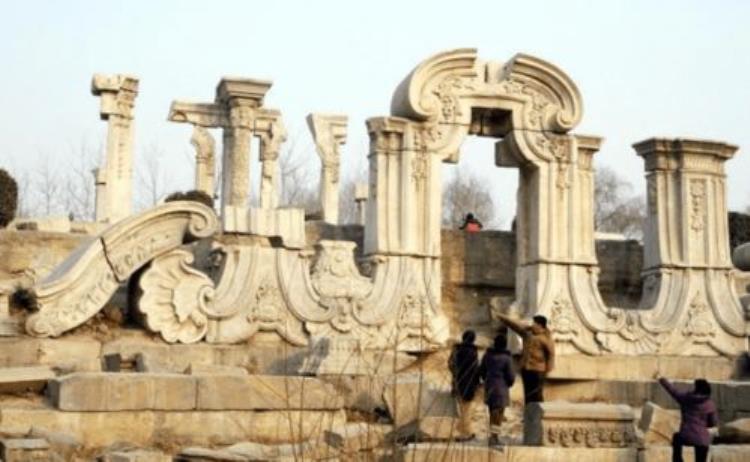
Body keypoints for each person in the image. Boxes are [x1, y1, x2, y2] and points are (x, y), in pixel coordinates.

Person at [494, 313, 554, 404]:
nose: (532, 324)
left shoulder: (546, 338)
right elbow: (514, 325)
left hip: (538, 370)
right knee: (528, 394)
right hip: (526, 369)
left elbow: (551, 355)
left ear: (540, 325)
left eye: (534, 323)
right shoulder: (527, 334)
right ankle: (528, 412)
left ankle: (538, 412)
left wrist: (547, 370)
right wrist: (502, 317)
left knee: (537, 395)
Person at [657, 376, 718, 462]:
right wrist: (704, 424)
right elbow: (713, 423)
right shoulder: (710, 404)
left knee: (676, 437)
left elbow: (673, 391)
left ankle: (678, 460)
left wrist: (662, 379)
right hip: (702, 439)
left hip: (686, 435)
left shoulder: (686, 398)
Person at [479, 334, 515, 447]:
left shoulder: (487, 355)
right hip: (501, 388)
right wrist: (509, 383)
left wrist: (487, 380)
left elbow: (482, 371)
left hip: (490, 387)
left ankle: (493, 436)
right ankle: (494, 437)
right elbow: (511, 376)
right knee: (498, 415)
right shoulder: (507, 358)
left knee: (492, 413)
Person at [448, 330, 480, 438]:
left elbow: (450, 364)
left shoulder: (456, 349)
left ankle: (464, 431)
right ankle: (465, 432)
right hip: (469, 383)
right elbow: (475, 369)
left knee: (461, 408)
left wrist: (456, 374)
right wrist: (477, 382)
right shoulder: (473, 352)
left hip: (457, 382)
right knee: (466, 409)